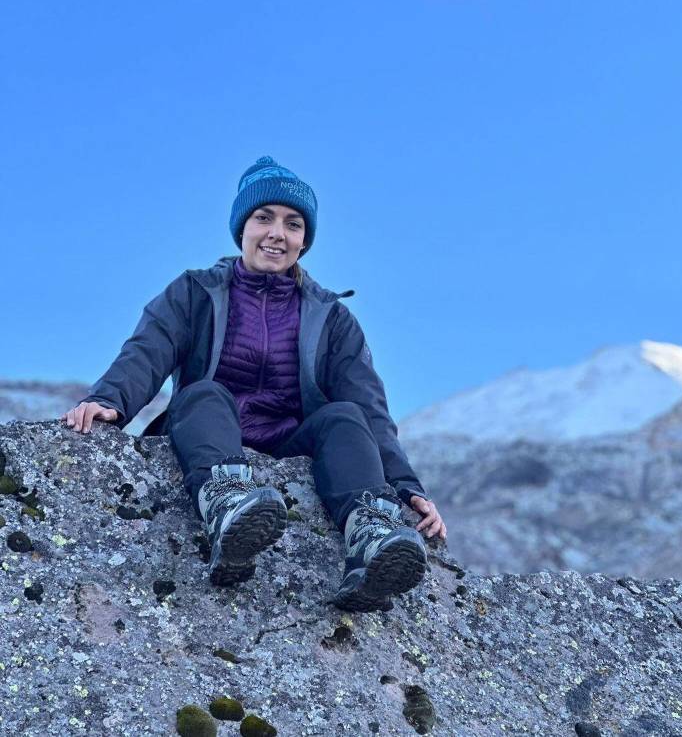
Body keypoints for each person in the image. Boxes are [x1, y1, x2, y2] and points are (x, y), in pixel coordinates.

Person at [60, 155, 446, 612]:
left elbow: (370, 409)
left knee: (345, 416)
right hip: (206, 430)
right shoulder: (195, 291)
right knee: (203, 391)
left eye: (293, 224)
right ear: (242, 227)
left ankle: (371, 538)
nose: (276, 233)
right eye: (264, 218)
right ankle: (227, 508)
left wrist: (406, 487)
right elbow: (148, 349)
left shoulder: (332, 318)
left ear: (305, 241)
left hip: (287, 440)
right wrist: (110, 399)